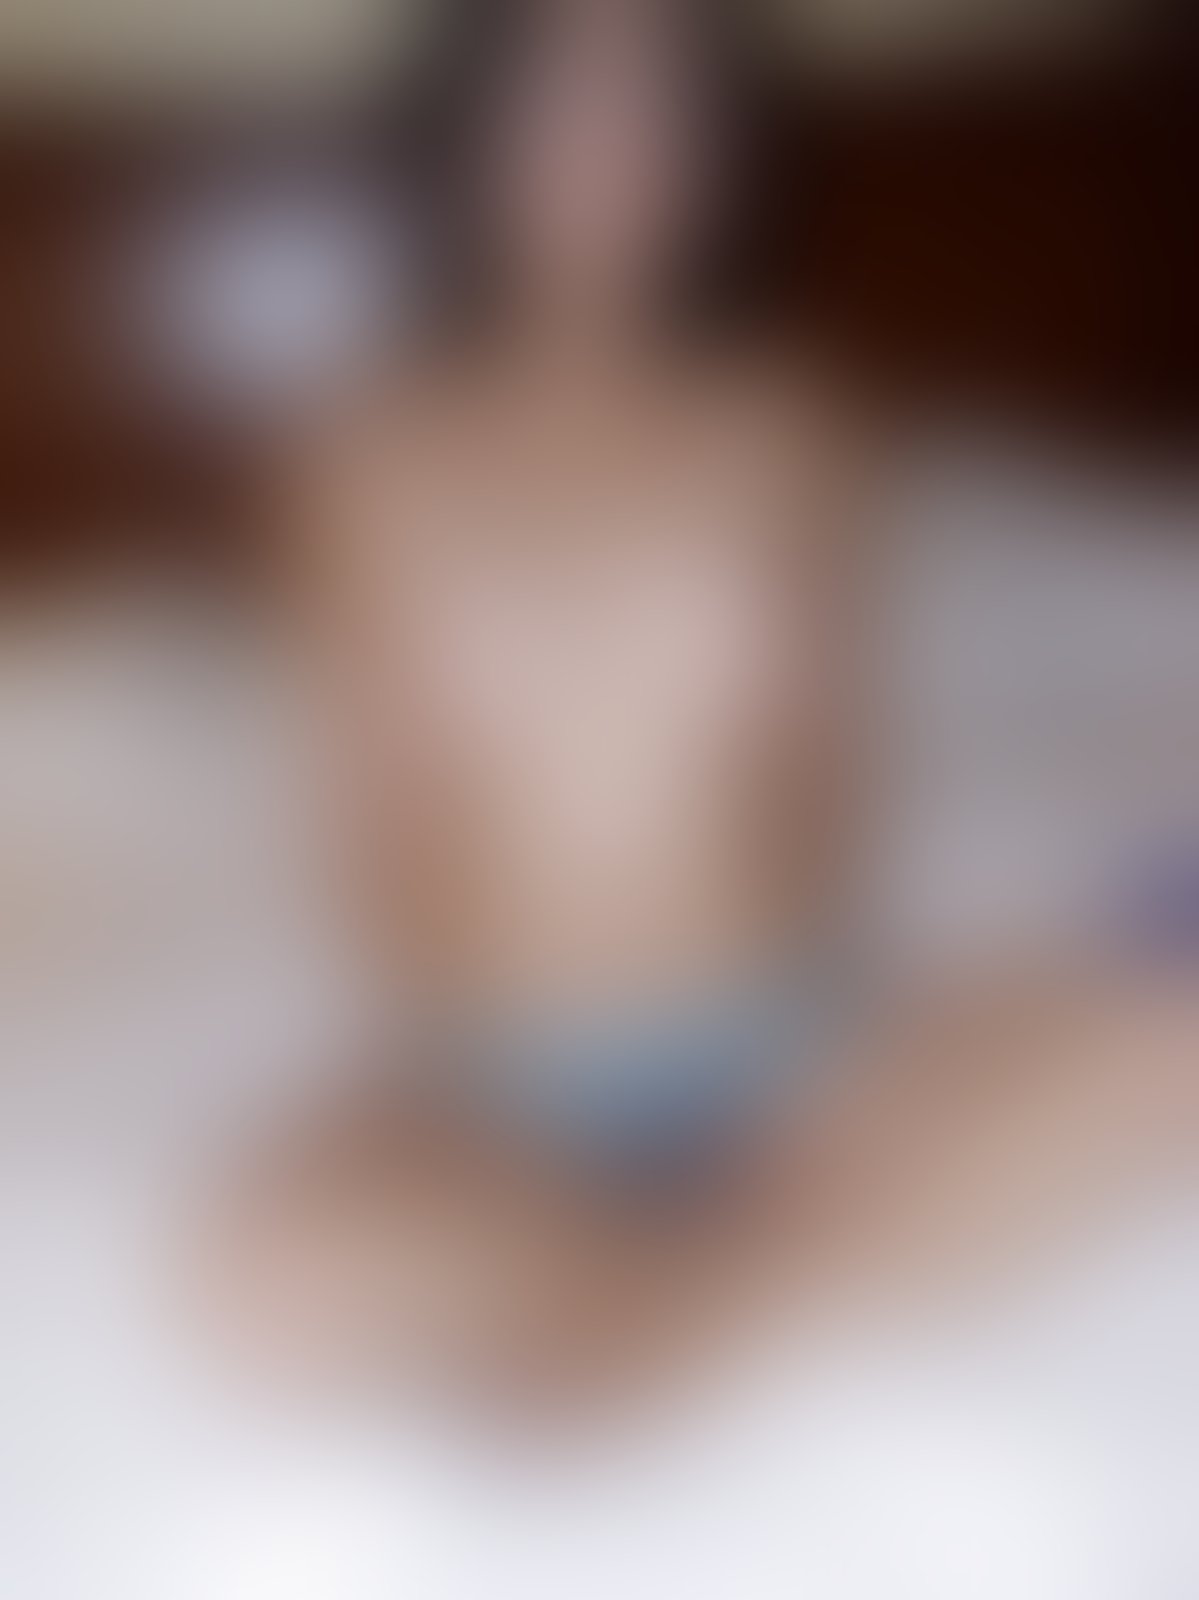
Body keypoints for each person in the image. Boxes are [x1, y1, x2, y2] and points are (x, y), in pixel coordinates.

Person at [208, 0, 1195, 1421]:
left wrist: (859, 1060)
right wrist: (435, 1098)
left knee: (1178, 1017)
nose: (617, 151)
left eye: (662, 106)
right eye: (565, 102)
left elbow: (830, 782)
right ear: (472, 131)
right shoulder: (356, 451)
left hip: (786, 1052)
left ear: (723, 148)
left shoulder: (796, 423)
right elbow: (371, 831)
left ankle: (634, 1327)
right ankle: (737, 1289)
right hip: (498, 1079)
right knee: (268, 1271)